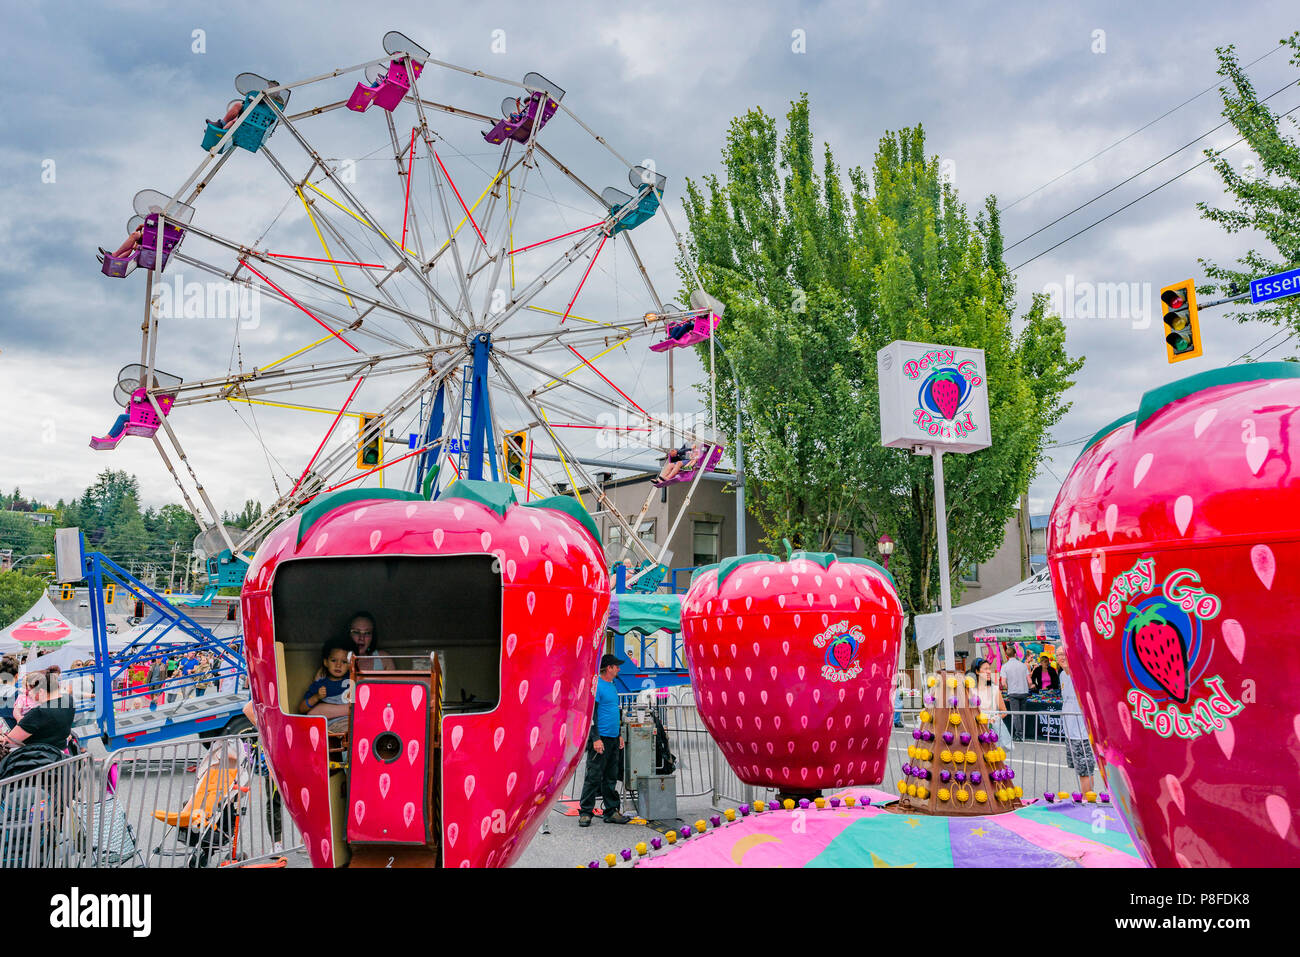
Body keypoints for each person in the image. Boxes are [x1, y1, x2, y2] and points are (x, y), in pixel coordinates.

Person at [578, 654, 630, 827]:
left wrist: (619, 734)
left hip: (613, 737)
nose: (619, 669)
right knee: (593, 776)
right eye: (616, 666)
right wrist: (595, 738)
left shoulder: (612, 685)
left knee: (610, 776)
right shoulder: (598, 686)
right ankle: (585, 812)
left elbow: (614, 711)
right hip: (602, 738)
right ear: (609, 668)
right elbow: (592, 713)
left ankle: (611, 811)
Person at [1, 670, 75, 754]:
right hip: (61, 756)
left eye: (29, 690)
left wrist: (2, 737)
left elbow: (8, 742)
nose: (28, 694)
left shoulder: (39, 712)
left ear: (40, 691)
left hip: (38, 760)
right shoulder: (68, 700)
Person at [1056, 646, 1095, 795]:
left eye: (1064, 653)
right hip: (1069, 731)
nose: (1062, 657)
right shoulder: (1062, 676)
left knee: (1085, 770)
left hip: (1082, 732)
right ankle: (1085, 798)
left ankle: (1087, 800)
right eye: (1059, 654)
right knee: (1079, 770)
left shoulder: (1080, 674)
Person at [300, 639, 353, 724]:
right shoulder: (320, 684)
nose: (338, 665)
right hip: (333, 726)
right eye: (333, 660)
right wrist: (316, 697)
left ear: (350, 665)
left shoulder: (352, 681)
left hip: (352, 722)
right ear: (326, 662)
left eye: (344, 662)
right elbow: (302, 709)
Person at [971, 657, 1013, 753]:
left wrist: (994, 719)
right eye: (985, 669)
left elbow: (1004, 711)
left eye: (989, 669)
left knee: (992, 762)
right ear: (977, 671)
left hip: (991, 733)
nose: (989, 671)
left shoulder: (994, 689)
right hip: (975, 732)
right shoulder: (970, 691)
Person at [1001, 651, 1030, 741]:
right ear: (1015, 654)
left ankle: (1019, 735)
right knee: (1022, 713)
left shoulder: (1005, 666)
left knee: (1016, 714)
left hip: (1013, 693)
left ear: (1007, 655)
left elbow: (1003, 683)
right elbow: (1029, 681)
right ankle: (1022, 733)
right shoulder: (1023, 665)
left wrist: (1008, 688)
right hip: (1024, 692)